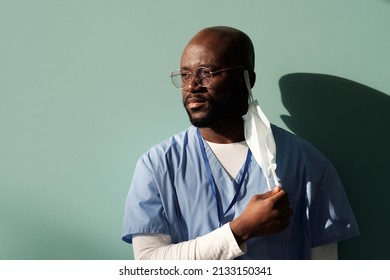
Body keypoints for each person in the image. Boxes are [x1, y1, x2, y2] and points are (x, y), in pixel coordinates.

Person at [121, 26, 360, 260]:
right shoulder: (157, 165)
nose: (192, 86)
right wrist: (240, 230)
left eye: (206, 73)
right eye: (185, 75)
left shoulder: (306, 163)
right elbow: (148, 263)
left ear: (247, 78)